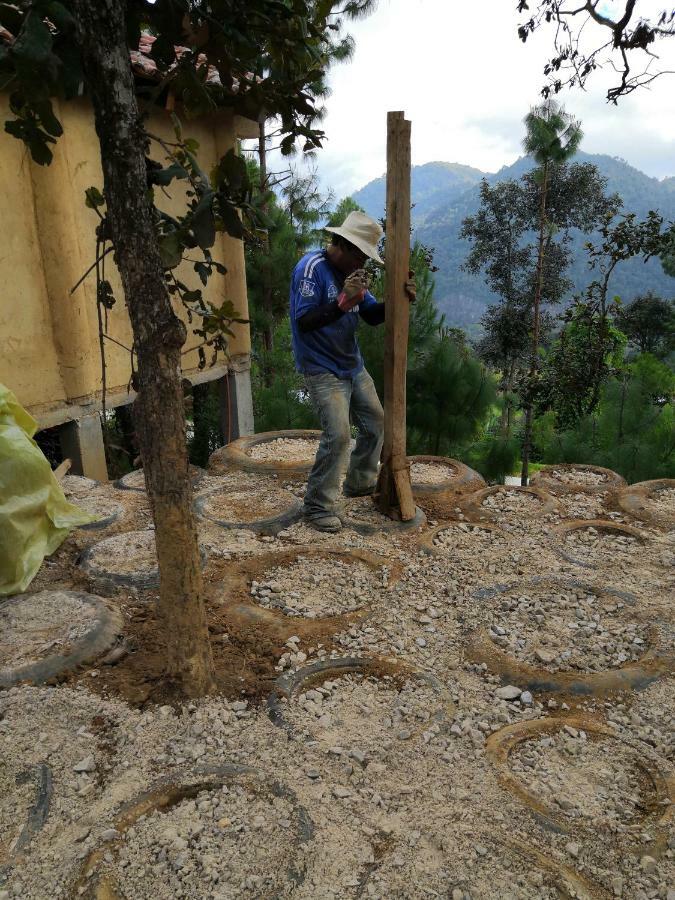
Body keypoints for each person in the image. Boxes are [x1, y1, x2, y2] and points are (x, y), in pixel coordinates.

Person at [289, 210, 415, 532]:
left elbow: (371, 314)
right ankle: (317, 507)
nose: (365, 265)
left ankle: (358, 484)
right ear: (344, 246)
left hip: (351, 365)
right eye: (362, 256)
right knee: (339, 436)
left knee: (376, 423)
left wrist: (398, 301)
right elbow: (304, 323)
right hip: (321, 368)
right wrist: (343, 301)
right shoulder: (311, 270)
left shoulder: (353, 275)